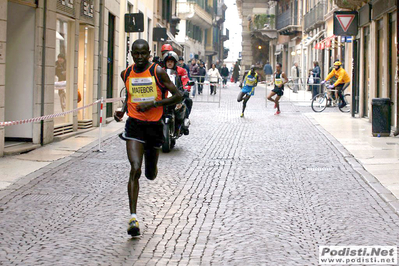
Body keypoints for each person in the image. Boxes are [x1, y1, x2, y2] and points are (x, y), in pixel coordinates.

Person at [114, 39, 183, 237]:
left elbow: (178, 96)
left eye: (143, 53)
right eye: (136, 53)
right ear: (131, 54)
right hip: (134, 126)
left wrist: (155, 104)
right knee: (135, 168)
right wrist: (123, 110)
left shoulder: (157, 72)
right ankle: (133, 218)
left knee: (150, 174)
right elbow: (130, 95)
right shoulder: (126, 73)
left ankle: (152, 167)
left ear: (149, 55)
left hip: (154, 127)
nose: (140, 57)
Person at [163, 51, 193, 126]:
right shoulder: (161, 71)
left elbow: (185, 79)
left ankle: (185, 121)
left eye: (171, 61)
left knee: (188, 101)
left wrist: (186, 89)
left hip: (177, 93)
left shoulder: (181, 70)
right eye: (168, 61)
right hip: (164, 93)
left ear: (174, 62)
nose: (169, 63)